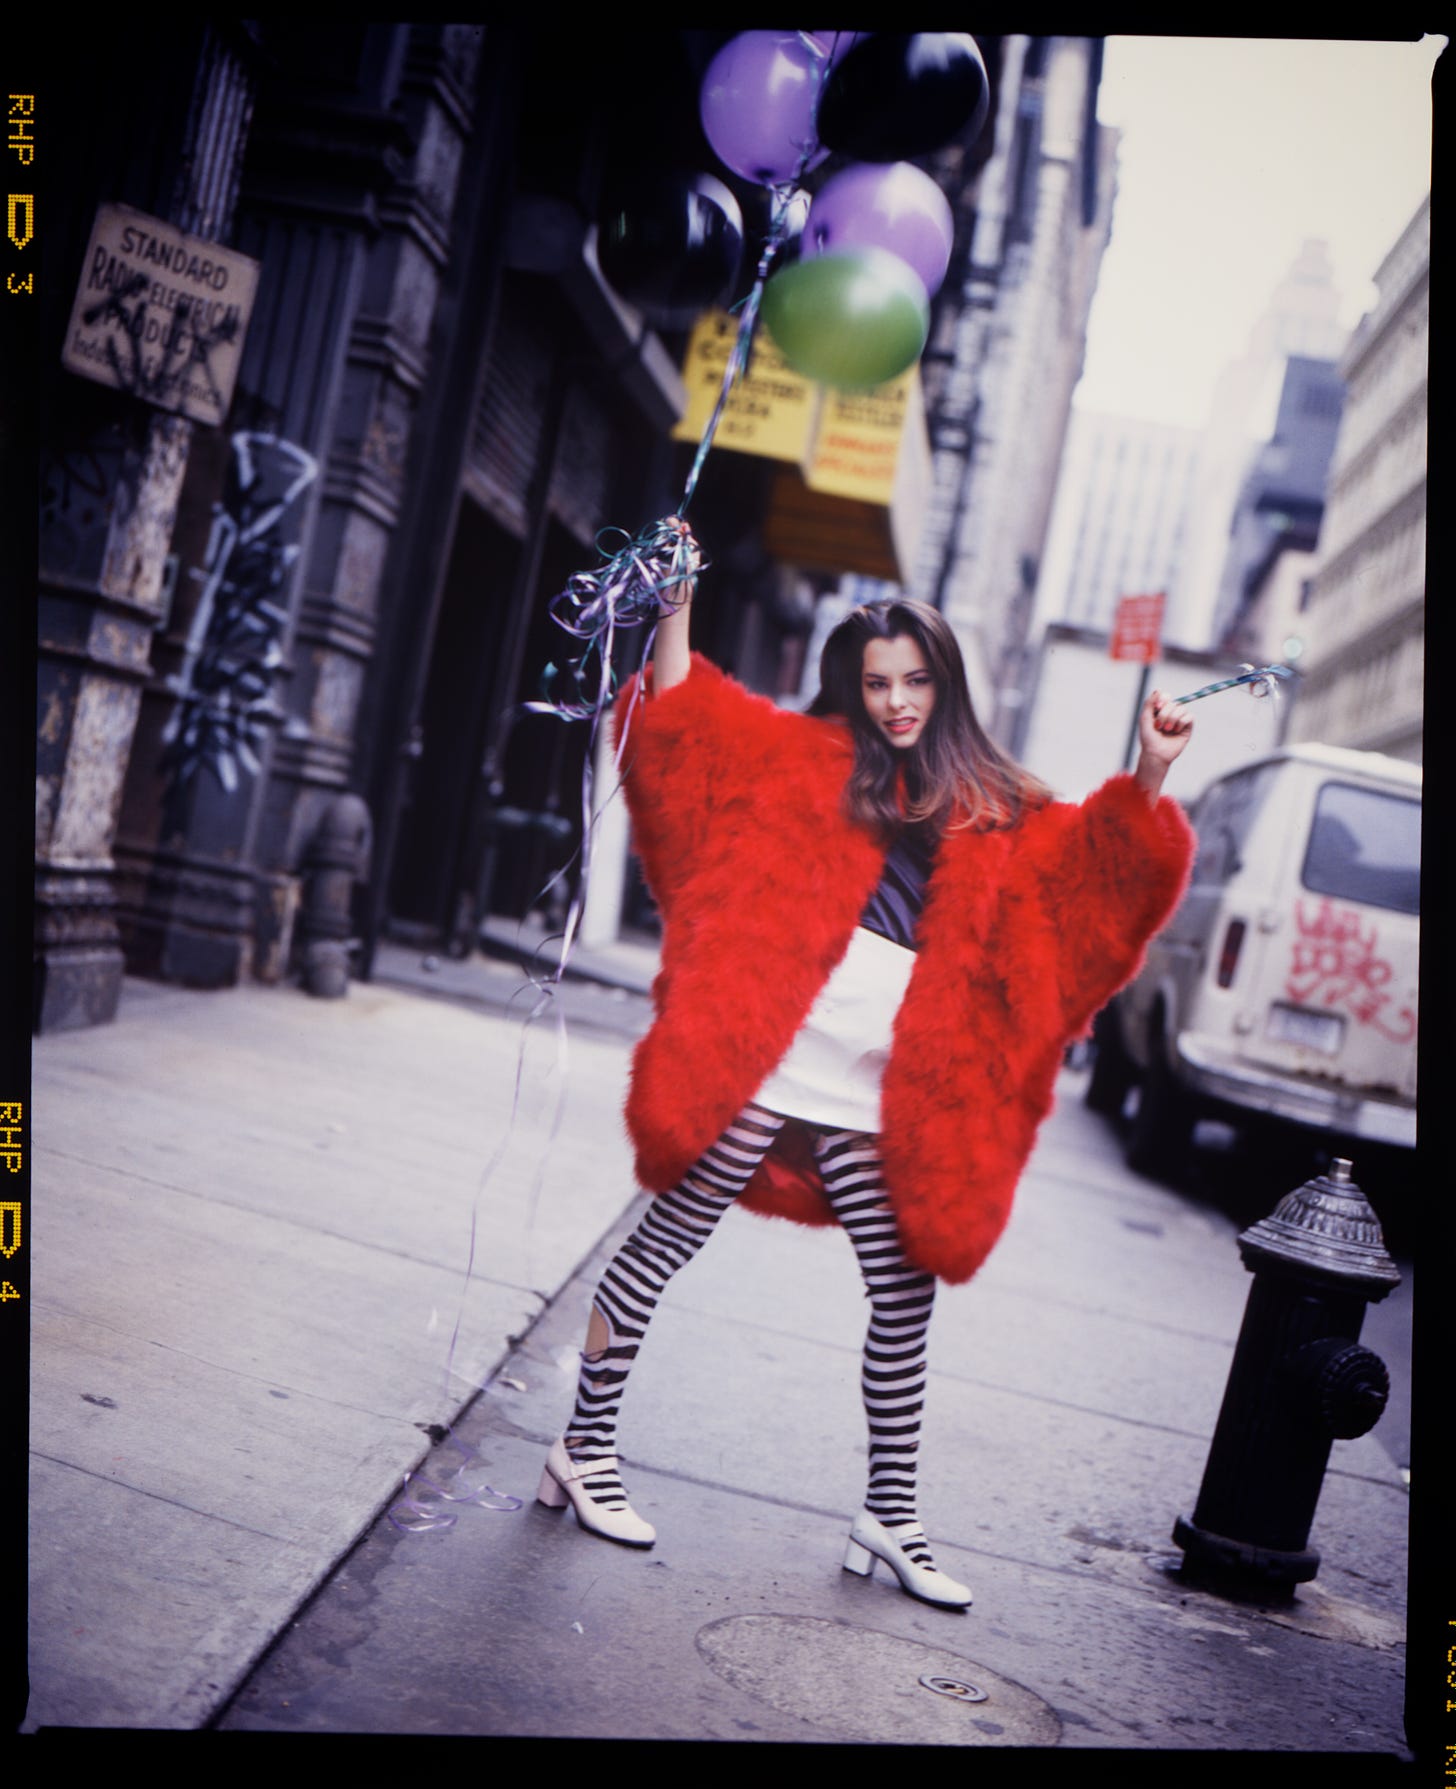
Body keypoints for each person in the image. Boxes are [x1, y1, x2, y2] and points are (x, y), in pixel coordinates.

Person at [537, 534, 1195, 1610]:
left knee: (902, 1292)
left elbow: (1092, 886)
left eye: (915, 681)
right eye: (877, 682)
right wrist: (676, 605)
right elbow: (687, 737)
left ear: (947, 683)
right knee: (668, 1237)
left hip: (875, 1079)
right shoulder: (809, 760)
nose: (896, 703)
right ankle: (584, 1449)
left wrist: (1152, 771)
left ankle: (888, 1515)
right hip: (775, 1042)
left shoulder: (1001, 803)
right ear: (853, 684)